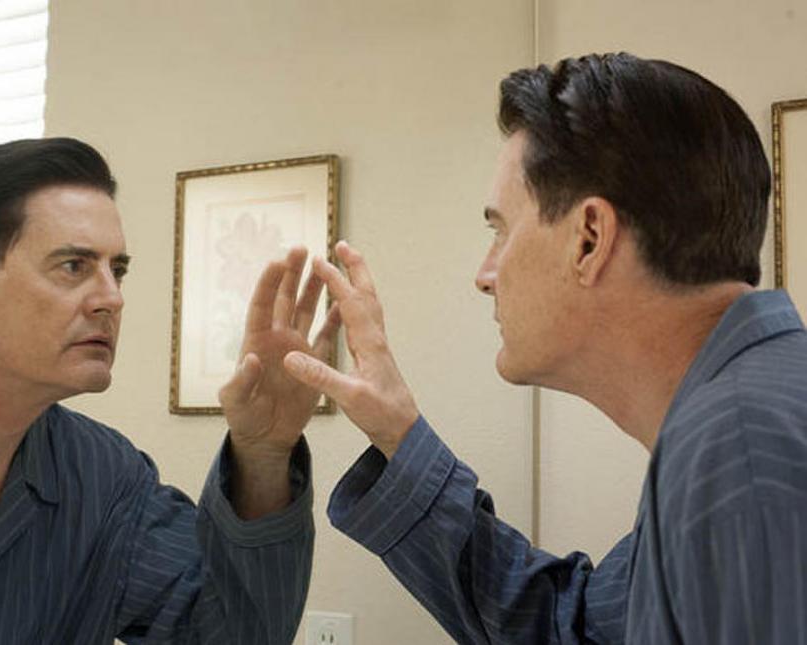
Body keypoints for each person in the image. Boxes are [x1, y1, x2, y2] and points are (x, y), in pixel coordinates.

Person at [276, 53, 807, 643]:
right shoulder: (741, 424)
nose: (485, 275)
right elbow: (573, 627)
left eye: (500, 230)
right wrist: (399, 434)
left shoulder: (742, 451)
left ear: (589, 239)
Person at [0, 138, 338, 643]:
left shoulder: (108, 478)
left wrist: (262, 453)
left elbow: (230, 636)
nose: (111, 298)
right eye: (74, 266)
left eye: (116, 270)